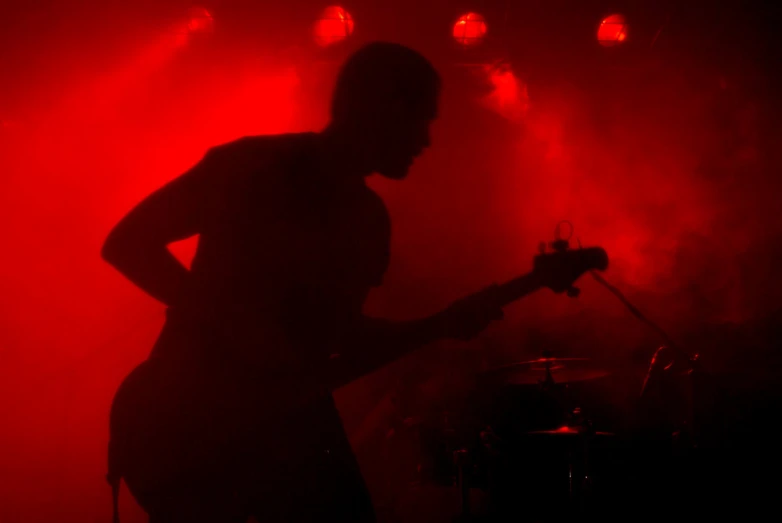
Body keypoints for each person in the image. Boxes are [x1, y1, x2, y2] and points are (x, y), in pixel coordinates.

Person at [102, 42, 549, 523]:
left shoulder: (368, 217)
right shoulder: (251, 166)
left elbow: (340, 335)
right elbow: (127, 242)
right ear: (381, 107)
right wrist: (231, 323)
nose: (426, 140)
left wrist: (438, 325)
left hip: (258, 419)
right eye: (422, 118)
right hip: (186, 412)